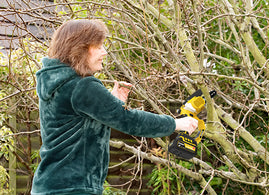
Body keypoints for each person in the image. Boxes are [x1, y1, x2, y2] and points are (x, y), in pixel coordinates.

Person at [31, 19, 198, 195]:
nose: (104, 52)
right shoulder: (83, 86)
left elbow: (77, 123)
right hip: (72, 189)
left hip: (50, 186)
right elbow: (130, 120)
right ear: (80, 48)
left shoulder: (57, 83)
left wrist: (111, 101)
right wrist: (177, 124)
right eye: (99, 46)